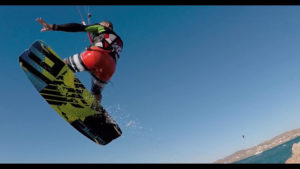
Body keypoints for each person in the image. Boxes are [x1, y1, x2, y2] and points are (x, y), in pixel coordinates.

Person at [36, 17, 123, 105]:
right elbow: (109, 47)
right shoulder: (120, 42)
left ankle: (51, 74)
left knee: (64, 64)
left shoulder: (101, 27)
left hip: (95, 57)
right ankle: (95, 109)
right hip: (110, 69)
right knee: (96, 92)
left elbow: (78, 27)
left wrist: (54, 27)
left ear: (107, 25)